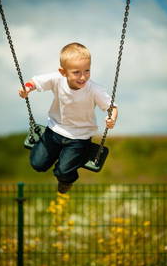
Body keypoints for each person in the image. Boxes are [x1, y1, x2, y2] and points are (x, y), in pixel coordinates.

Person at [19, 42, 118, 194]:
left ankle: (67, 178)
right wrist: (27, 88)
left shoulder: (94, 90)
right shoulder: (56, 79)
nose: (83, 76)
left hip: (79, 138)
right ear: (63, 72)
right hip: (54, 130)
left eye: (87, 71)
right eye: (76, 72)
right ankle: (59, 154)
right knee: (37, 164)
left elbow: (112, 107)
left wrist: (112, 118)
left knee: (63, 172)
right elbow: (35, 82)